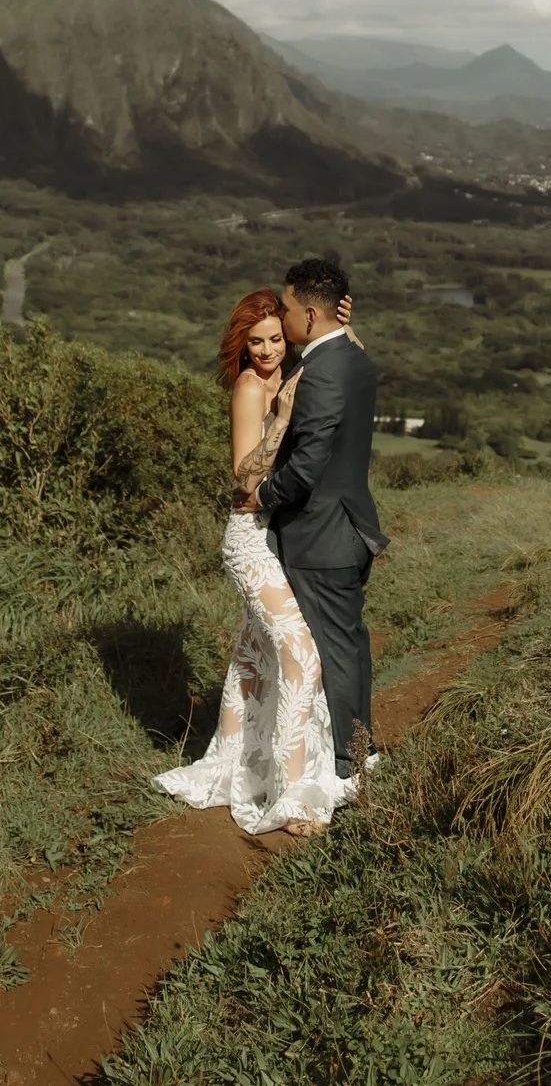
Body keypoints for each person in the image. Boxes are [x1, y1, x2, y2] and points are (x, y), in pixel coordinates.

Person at [153, 284, 361, 835]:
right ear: (241, 345)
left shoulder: (295, 373)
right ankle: (291, 797)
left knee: (249, 659)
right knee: (301, 653)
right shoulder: (249, 389)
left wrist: (346, 327)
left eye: (274, 339)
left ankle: (233, 764)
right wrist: (280, 420)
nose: (267, 351)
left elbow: (342, 363)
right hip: (249, 539)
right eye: (256, 342)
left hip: (283, 537)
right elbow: (244, 478)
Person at [251, 258, 386, 779]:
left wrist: (263, 494)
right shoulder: (354, 358)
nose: (281, 319)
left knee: (329, 649)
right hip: (351, 525)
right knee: (349, 641)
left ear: (309, 314)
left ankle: (349, 766)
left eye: (286, 309)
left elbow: (306, 465)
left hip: (321, 534)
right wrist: (344, 325)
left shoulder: (322, 371)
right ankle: (360, 748)